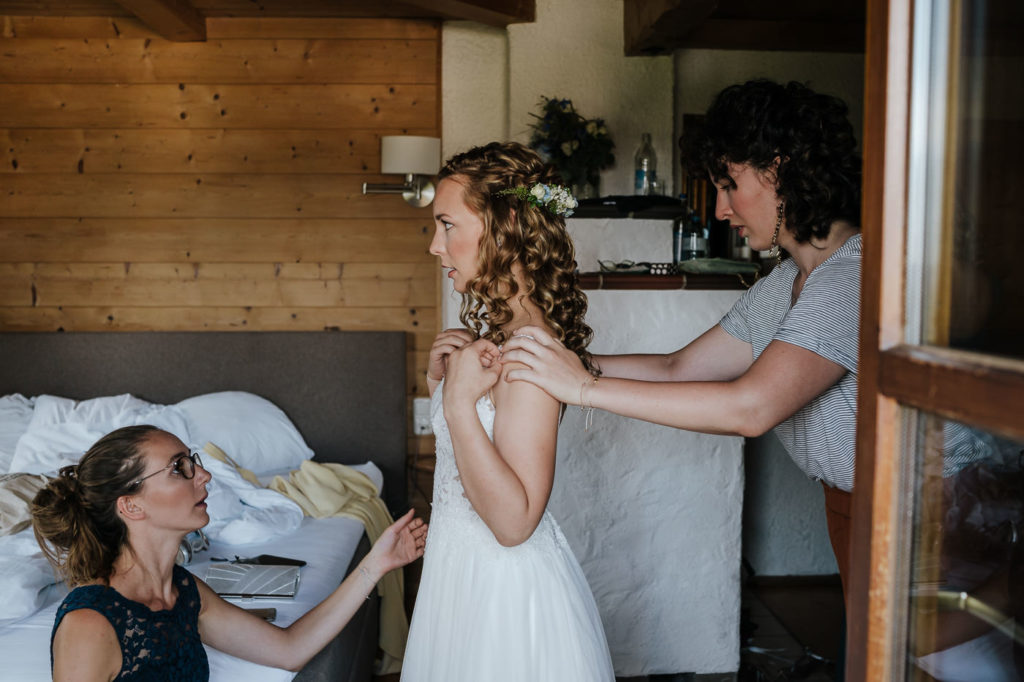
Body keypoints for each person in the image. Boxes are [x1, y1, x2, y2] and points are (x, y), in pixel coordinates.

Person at [502, 79, 864, 598]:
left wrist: (582, 387)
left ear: (780, 169)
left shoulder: (851, 275)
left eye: (728, 185)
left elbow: (749, 408)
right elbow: (679, 367)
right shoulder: (788, 280)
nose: (721, 209)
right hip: (849, 504)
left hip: (932, 511)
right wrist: (556, 360)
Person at [402, 141, 614, 681]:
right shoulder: (496, 338)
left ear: (507, 224)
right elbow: (463, 471)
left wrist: (455, 405)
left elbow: (515, 522)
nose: (435, 246)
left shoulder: (527, 350)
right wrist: (441, 385)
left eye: (447, 224)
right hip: (460, 578)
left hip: (503, 600)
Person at [31, 425, 427, 682]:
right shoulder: (91, 621)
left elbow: (289, 650)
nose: (203, 475)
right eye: (178, 468)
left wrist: (375, 564)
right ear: (132, 506)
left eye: (194, 462)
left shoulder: (185, 592)